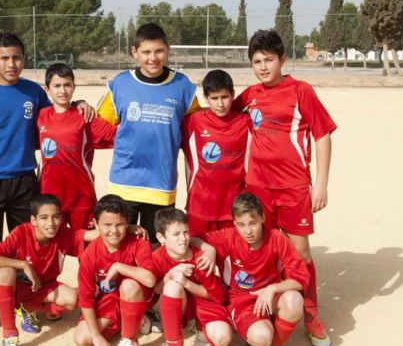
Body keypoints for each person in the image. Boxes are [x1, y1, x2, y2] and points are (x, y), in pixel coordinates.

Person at [0, 32, 93, 334]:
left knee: (28, 251)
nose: (11, 64)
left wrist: (80, 102)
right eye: (5, 58)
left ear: (24, 59)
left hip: (25, 182)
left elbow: (59, 108)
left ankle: (26, 304)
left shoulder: (33, 92)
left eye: (17, 57)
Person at [232, 29, 337, 346]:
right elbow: (221, 112)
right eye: (257, 61)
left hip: (293, 188)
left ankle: (311, 315)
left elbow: (323, 135)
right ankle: (260, 311)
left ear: (283, 59)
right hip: (258, 188)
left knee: (300, 254)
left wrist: (320, 184)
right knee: (262, 252)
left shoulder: (301, 91)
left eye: (268, 60)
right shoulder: (249, 95)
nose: (263, 67)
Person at [97, 23, 201, 242]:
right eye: (146, 52)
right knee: (120, 245)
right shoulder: (120, 85)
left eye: (158, 51)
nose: (153, 58)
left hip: (161, 184)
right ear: (135, 52)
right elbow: (99, 124)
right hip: (124, 182)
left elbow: (197, 129)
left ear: (168, 49)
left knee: (155, 247)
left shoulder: (183, 86)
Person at [194, 193, 310, 346]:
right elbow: (192, 238)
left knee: (294, 300)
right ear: (234, 223)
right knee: (262, 337)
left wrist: (273, 288)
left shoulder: (277, 238)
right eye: (241, 225)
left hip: (269, 297)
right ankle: (241, 326)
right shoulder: (227, 237)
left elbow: (301, 278)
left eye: (253, 223)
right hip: (241, 300)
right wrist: (206, 247)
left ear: (263, 218)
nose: (248, 231)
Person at [0, 194, 87, 346]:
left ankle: (26, 308)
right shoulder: (21, 232)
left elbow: (92, 235)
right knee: (6, 272)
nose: (51, 223)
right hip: (7, 285)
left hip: (37, 288)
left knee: (72, 299)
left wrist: (129, 227)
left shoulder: (63, 233)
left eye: (56, 217)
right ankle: (9, 336)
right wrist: (23, 265)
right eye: (44, 218)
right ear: (34, 220)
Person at [73, 194, 157, 346]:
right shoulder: (91, 252)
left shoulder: (138, 242)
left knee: (129, 284)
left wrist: (119, 267)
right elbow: (86, 297)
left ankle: (130, 339)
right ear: (96, 225)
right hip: (111, 298)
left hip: (137, 294)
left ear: (127, 222)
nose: (114, 230)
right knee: (83, 339)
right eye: (107, 225)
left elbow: (150, 280)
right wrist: (96, 336)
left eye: (119, 224)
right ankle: (136, 319)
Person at [149, 208, 232, 346]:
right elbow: (157, 289)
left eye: (186, 232)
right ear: (160, 238)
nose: (183, 239)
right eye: (176, 234)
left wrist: (186, 283)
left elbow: (215, 295)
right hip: (181, 303)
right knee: (172, 285)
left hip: (205, 303)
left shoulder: (201, 258)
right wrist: (171, 274)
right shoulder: (158, 256)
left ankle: (201, 329)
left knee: (222, 338)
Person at [37, 63, 117, 231]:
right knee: (52, 249)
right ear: (47, 89)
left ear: (74, 87)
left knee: (86, 249)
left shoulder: (85, 116)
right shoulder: (41, 116)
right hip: (50, 194)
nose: (62, 90)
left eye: (67, 85)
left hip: (81, 196)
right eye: (57, 86)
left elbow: (116, 136)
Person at [181, 69, 251, 234]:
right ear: (206, 98)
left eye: (225, 97)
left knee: (231, 258)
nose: (220, 104)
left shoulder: (246, 122)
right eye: (214, 98)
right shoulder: (192, 122)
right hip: (200, 206)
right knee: (200, 256)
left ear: (233, 94)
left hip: (234, 206)